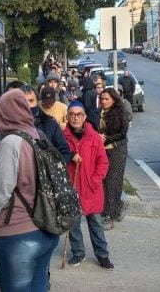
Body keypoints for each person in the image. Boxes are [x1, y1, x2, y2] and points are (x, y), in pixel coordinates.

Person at [0, 90, 59, 291]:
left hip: (17, 233)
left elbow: (0, 192)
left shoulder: (11, 142)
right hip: (46, 229)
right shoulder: (38, 135)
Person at [62, 101, 113, 270]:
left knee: (96, 223)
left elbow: (103, 162)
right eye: (72, 114)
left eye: (79, 114)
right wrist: (70, 156)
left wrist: (95, 179)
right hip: (73, 187)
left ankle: (102, 254)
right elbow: (57, 158)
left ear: (84, 117)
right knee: (74, 224)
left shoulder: (94, 136)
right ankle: (78, 253)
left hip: (92, 188)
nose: (75, 117)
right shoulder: (63, 137)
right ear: (67, 116)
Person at [98, 88, 128, 230]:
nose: (103, 101)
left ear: (113, 100)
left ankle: (109, 217)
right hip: (100, 151)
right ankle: (120, 203)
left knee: (112, 181)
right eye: (102, 99)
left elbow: (122, 133)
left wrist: (105, 138)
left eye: (106, 99)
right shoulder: (98, 112)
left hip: (117, 150)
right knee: (103, 180)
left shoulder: (121, 113)